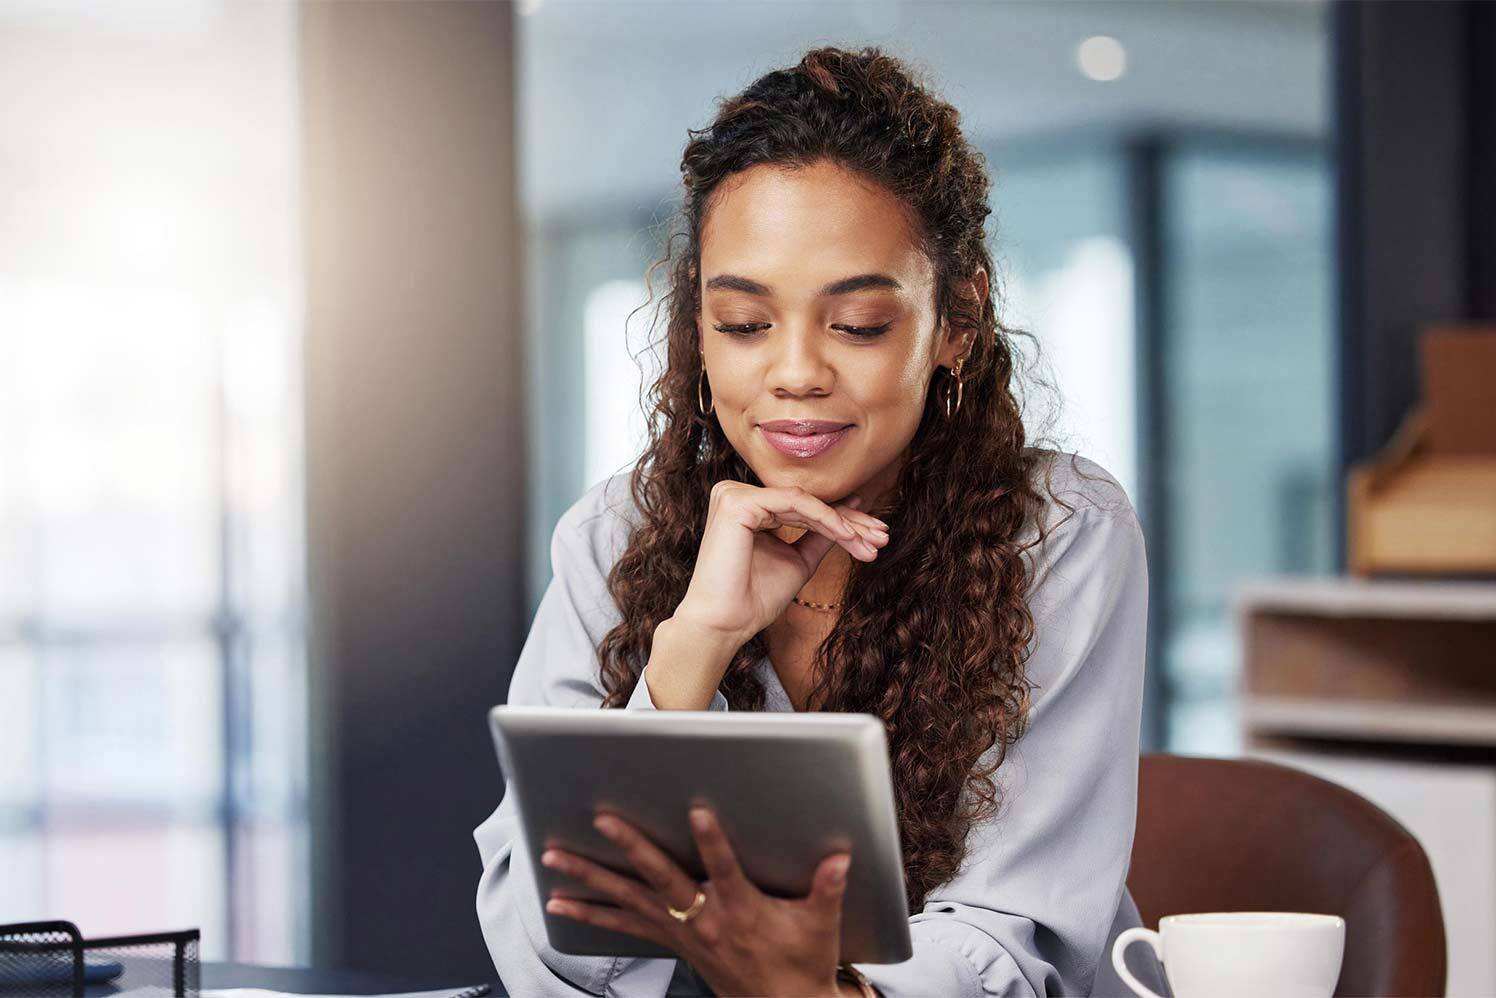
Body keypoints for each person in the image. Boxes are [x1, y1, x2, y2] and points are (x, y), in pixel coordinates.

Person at [475, 45, 1171, 998]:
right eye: (745, 325)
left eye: (857, 325)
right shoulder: (616, 534)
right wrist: (693, 650)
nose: (796, 373)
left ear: (956, 322)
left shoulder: (1057, 534)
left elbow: (1019, 938)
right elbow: (545, 943)